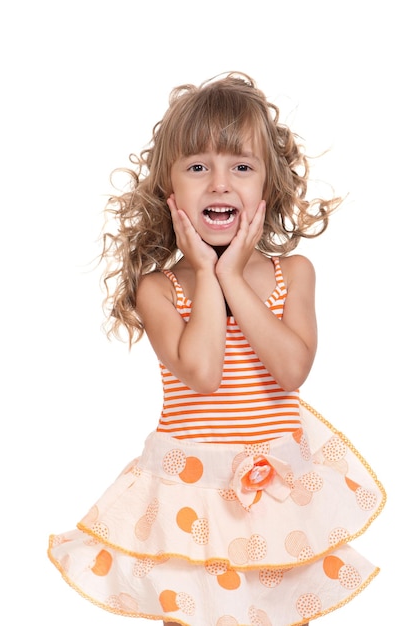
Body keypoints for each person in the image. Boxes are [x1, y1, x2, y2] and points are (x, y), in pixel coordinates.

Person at [48, 72, 386, 626]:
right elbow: (203, 373)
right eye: (198, 167)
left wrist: (233, 275)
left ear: (267, 190)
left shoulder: (292, 273)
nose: (220, 184)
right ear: (171, 192)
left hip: (275, 498)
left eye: (241, 167)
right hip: (188, 497)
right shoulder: (161, 288)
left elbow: (291, 370)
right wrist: (206, 270)